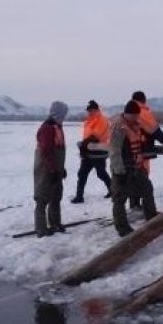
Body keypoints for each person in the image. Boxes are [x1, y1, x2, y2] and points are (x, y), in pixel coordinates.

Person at [109, 100, 158, 237]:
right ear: (127, 114)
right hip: (122, 170)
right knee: (119, 199)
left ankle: (151, 215)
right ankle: (122, 228)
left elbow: (140, 144)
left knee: (147, 188)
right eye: (135, 115)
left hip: (136, 167)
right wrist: (120, 172)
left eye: (138, 115)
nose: (137, 118)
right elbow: (115, 151)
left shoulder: (136, 125)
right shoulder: (119, 127)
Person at [129, 91, 163, 210]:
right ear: (143, 100)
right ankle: (142, 206)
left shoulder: (128, 112)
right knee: (143, 176)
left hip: (130, 151)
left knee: (133, 176)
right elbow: (154, 130)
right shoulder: (143, 112)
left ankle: (134, 204)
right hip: (143, 149)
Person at [33, 101, 68, 238]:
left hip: (55, 168)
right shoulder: (47, 128)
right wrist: (53, 169)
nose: (65, 117)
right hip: (45, 168)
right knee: (42, 198)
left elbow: (58, 151)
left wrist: (61, 168)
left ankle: (55, 223)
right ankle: (41, 229)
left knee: (56, 196)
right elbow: (46, 151)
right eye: (63, 114)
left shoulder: (57, 127)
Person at [70, 100, 112, 203]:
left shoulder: (102, 120)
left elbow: (95, 136)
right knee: (82, 173)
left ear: (96, 110)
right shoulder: (88, 121)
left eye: (91, 110)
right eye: (88, 110)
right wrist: (83, 146)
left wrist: (82, 144)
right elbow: (88, 137)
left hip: (98, 151)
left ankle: (113, 190)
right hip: (88, 151)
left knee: (101, 173)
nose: (89, 112)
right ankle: (79, 196)